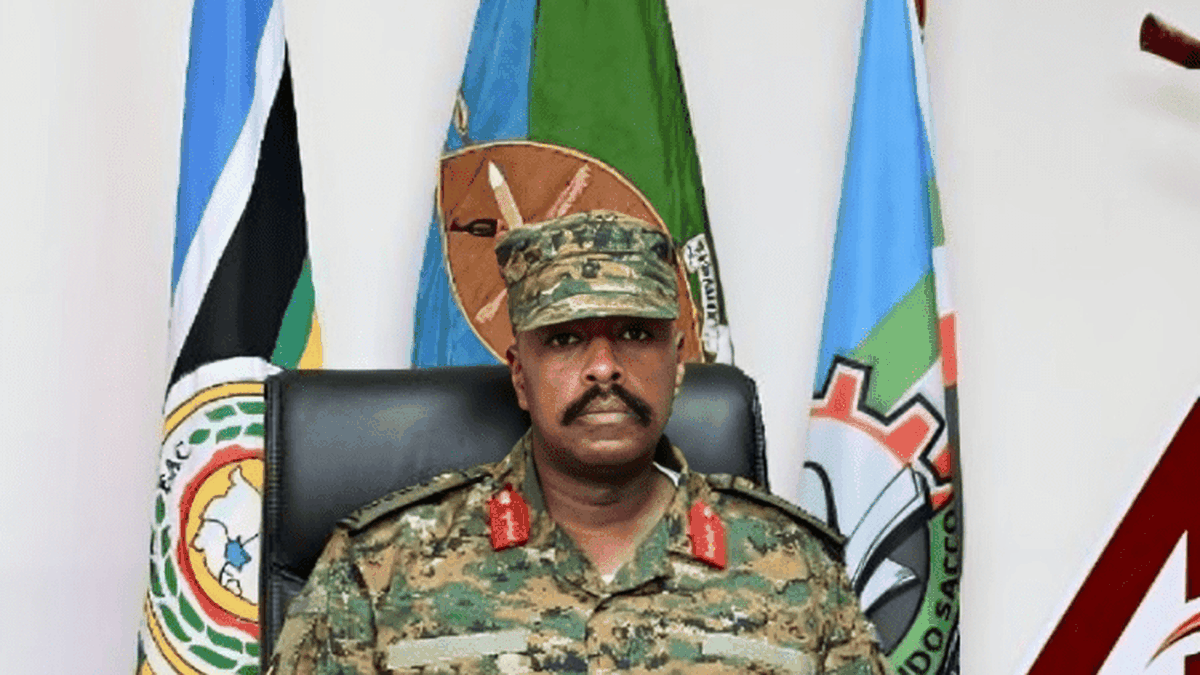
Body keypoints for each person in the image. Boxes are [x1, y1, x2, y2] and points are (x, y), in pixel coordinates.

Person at [267, 210, 893, 674]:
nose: (603, 368)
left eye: (635, 334)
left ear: (678, 364)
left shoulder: (795, 566)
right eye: (566, 339)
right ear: (520, 375)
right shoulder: (382, 566)